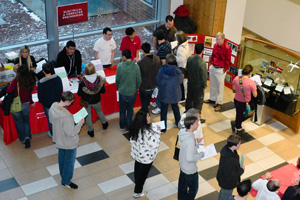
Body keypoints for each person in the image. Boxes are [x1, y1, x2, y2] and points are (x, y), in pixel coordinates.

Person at [49, 91, 85, 190]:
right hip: (69, 142)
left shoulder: (53, 107)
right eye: (72, 102)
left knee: (62, 158)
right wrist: (80, 124)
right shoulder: (67, 116)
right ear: (68, 101)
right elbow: (71, 132)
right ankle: (66, 181)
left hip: (59, 139)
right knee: (69, 162)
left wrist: (68, 122)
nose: (72, 103)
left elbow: (52, 121)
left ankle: (63, 175)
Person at [129, 110, 161, 198]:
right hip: (146, 158)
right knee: (143, 175)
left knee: (138, 167)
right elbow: (155, 144)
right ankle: (137, 191)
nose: (150, 117)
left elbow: (131, 140)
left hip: (137, 154)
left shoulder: (134, 127)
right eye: (148, 117)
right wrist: (158, 132)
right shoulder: (147, 132)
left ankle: (137, 180)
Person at [7, 64, 35, 148]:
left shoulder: (16, 81)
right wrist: (31, 102)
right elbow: (29, 94)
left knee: (19, 122)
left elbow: (8, 90)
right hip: (26, 104)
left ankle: (22, 139)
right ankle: (28, 137)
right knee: (26, 121)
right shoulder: (30, 80)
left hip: (16, 104)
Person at [77, 62, 108, 137]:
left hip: (86, 101)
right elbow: (103, 91)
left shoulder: (82, 81)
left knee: (88, 116)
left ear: (85, 71)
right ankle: (104, 124)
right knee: (99, 112)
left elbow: (79, 93)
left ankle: (91, 131)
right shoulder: (99, 79)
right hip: (96, 100)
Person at [178, 115, 204, 200]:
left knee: (182, 187)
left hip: (183, 165)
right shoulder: (190, 140)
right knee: (194, 188)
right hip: (190, 169)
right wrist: (201, 155)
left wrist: (196, 141)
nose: (198, 125)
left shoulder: (184, 132)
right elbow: (190, 158)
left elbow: (185, 146)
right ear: (191, 125)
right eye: (196, 123)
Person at [156, 54, 184, 132]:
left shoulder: (161, 70)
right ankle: (178, 123)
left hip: (164, 94)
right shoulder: (178, 71)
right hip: (175, 94)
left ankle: (163, 129)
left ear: (167, 61)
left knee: (163, 111)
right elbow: (181, 80)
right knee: (176, 108)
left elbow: (157, 80)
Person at [204, 32, 231, 112]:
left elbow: (228, 60)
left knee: (220, 87)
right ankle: (212, 99)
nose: (217, 41)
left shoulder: (227, 48)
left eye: (219, 39)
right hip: (213, 67)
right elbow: (213, 55)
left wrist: (224, 69)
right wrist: (211, 63)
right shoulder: (215, 45)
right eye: (217, 39)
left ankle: (219, 103)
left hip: (220, 69)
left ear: (223, 39)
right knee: (212, 84)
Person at [116, 49, 142, 131]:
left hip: (122, 92)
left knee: (122, 109)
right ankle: (128, 126)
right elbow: (139, 80)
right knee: (130, 109)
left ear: (123, 57)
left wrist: (119, 88)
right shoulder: (136, 66)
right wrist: (135, 88)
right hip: (132, 92)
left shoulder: (120, 66)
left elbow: (117, 80)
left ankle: (122, 125)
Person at [37, 63, 63, 138]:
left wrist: (44, 102)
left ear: (43, 71)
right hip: (58, 102)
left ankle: (53, 134)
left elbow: (40, 97)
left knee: (50, 120)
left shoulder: (41, 83)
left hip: (47, 105)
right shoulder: (57, 78)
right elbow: (60, 89)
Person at [216, 134, 244, 200]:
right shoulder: (230, 160)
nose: (240, 145)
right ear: (234, 146)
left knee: (223, 193)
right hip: (228, 183)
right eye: (239, 144)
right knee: (226, 196)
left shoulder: (227, 149)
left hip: (223, 178)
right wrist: (241, 170)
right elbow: (232, 174)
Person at [231, 65, 257, 135]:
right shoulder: (251, 82)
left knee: (239, 113)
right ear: (250, 73)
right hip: (246, 102)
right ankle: (238, 127)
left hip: (237, 100)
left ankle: (237, 123)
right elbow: (255, 95)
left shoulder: (237, 78)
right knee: (250, 113)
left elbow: (233, 88)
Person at [151, 29, 172, 115]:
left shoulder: (161, 49)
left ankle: (159, 107)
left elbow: (163, 62)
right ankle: (156, 102)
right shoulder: (167, 43)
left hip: (163, 72)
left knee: (160, 89)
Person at [185, 43, 207, 123]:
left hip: (190, 83)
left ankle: (187, 114)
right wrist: (204, 85)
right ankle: (197, 118)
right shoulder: (202, 63)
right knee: (198, 103)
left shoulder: (190, 58)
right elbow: (204, 76)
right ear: (202, 51)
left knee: (189, 99)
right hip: (198, 87)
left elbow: (186, 70)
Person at [137, 43, 161, 112]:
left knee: (144, 104)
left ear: (142, 50)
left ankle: (145, 116)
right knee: (147, 102)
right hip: (154, 85)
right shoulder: (157, 59)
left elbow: (139, 76)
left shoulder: (141, 63)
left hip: (144, 87)